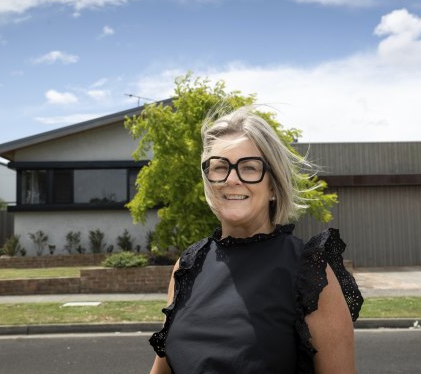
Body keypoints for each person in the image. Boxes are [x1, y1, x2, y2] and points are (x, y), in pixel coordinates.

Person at [148, 107, 363, 374]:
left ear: (273, 186)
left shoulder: (310, 272)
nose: (232, 179)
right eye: (219, 168)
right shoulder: (188, 266)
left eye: (249, 167)